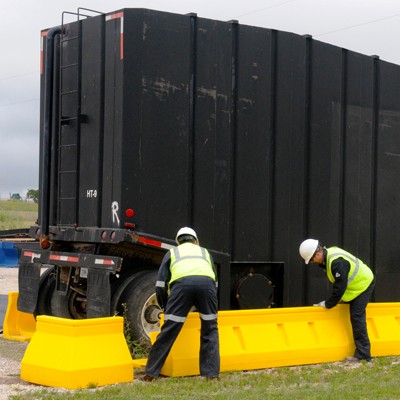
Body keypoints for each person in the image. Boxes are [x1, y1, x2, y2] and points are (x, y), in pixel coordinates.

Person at [144, 227, 220, 380]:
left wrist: (166, 307)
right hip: (207, 287)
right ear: (196, 240)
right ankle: (211, 375)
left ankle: (150, 374)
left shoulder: (172, 253)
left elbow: (160, 285)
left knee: (169, 330)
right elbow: (215, 283)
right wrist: (205, 303)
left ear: (178, 241)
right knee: (210, 329)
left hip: (181, 288)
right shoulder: (205, 252)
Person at [299, 239, 375, 362]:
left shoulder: (336, 263)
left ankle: (364, 355)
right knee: (348, 311)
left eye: (311, 260)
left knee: (356, 315)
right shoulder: (328, 257)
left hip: (363, 284)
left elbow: (339, 289)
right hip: (354, 287)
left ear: (317, 254)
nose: (312, 262)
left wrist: (328, 304)